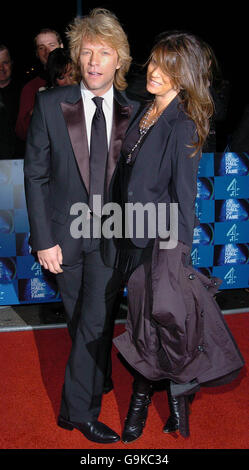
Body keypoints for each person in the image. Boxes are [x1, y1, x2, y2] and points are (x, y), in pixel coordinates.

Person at [111, 31, 245, 443]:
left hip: (163, 241)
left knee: (160, 323)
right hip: (131, 233)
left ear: (183, 75)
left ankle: (145, 402)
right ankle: (176, 404)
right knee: (145, 320)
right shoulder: (146, 109)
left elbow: (185, 195)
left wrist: (180, 251)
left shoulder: (183, 123)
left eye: (166, 66)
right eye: (152, 61)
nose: (152, 71)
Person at [24, 8, 139, 444]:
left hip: (111, 240)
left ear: (119, 60)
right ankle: (98, 373)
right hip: (64, 240)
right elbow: (34, 175)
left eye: (104, 52)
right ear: (77, 56)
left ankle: (78, 412)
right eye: (87, 51)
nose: (94, 61)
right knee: (82, 322)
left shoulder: (135, 111)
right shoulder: (51, 104)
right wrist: (44, 240)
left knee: (93, 322)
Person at [15, 28, 64, 142]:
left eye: (51, 45)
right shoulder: (31, 87)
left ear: (61, 46)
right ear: (37, 53)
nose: (47, 51)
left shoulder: (79, 80)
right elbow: (21, 132)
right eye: (41, 48)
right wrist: (37, 111)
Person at [0, 45, 24, 157]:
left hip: (19, 160)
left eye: (5, 63)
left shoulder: (25, 91)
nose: (1, 68)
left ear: (11, 64)